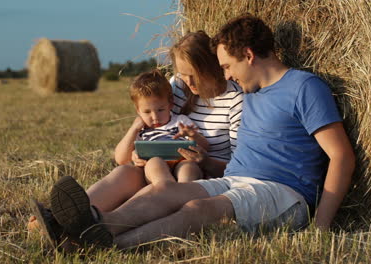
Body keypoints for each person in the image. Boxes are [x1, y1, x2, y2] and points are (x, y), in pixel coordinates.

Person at [28, 31, 243, 243]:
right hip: (162, 165)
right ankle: (59, 221)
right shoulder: (179, 86)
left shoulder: (235, 100)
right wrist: (137, 154)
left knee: (165, 185)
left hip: (201, 175)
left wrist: (203, 159)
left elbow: (239, 167)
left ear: (211, 66)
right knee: (125, 171)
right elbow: (155, 122)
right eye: (182, 74)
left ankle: (94, 227)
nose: (186, 82)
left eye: (192, 74)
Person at [116, 69, 210, 184]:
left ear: (170, 104)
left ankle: (185, 190)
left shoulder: (180, 121)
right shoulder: (140, 130)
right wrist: (133, 130)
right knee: (155, 163)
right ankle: (165, 188)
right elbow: (121, 159)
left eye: (160, 110)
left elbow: (205, 147)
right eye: (147, 112)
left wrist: (193, 136)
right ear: (138, 111)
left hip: (182, 160)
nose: (155, 117)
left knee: (189, 167)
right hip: (155, 165)